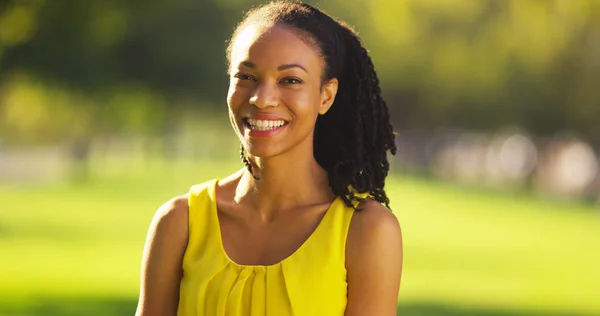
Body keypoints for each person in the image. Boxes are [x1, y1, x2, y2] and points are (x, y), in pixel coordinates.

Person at [135, 1, 403, 315]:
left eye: (290, 80)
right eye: (246, 77)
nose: (262, 99)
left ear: (325, 96)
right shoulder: (179, 222)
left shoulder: (366, 231)